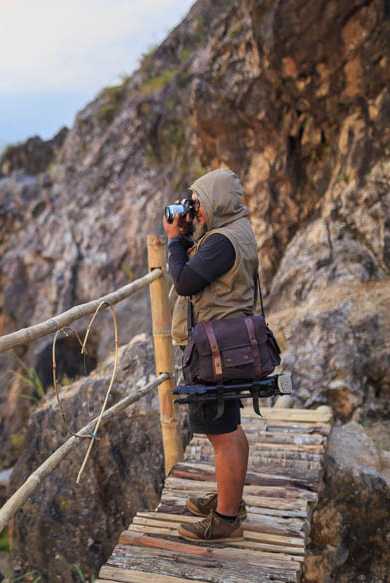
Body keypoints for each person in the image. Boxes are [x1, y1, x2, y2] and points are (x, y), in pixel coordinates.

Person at [162, 168, 259, 543]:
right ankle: (232, 500)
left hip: (215, 345)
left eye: (198, 202)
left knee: (223, 433)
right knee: (229, 425)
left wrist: (173, 241)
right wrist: (189, 237)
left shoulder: (221, 241)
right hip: (225, 341)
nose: (195, 209)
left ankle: (226, 520)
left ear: (216, 201)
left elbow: (185, 282)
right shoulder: (234, 230)